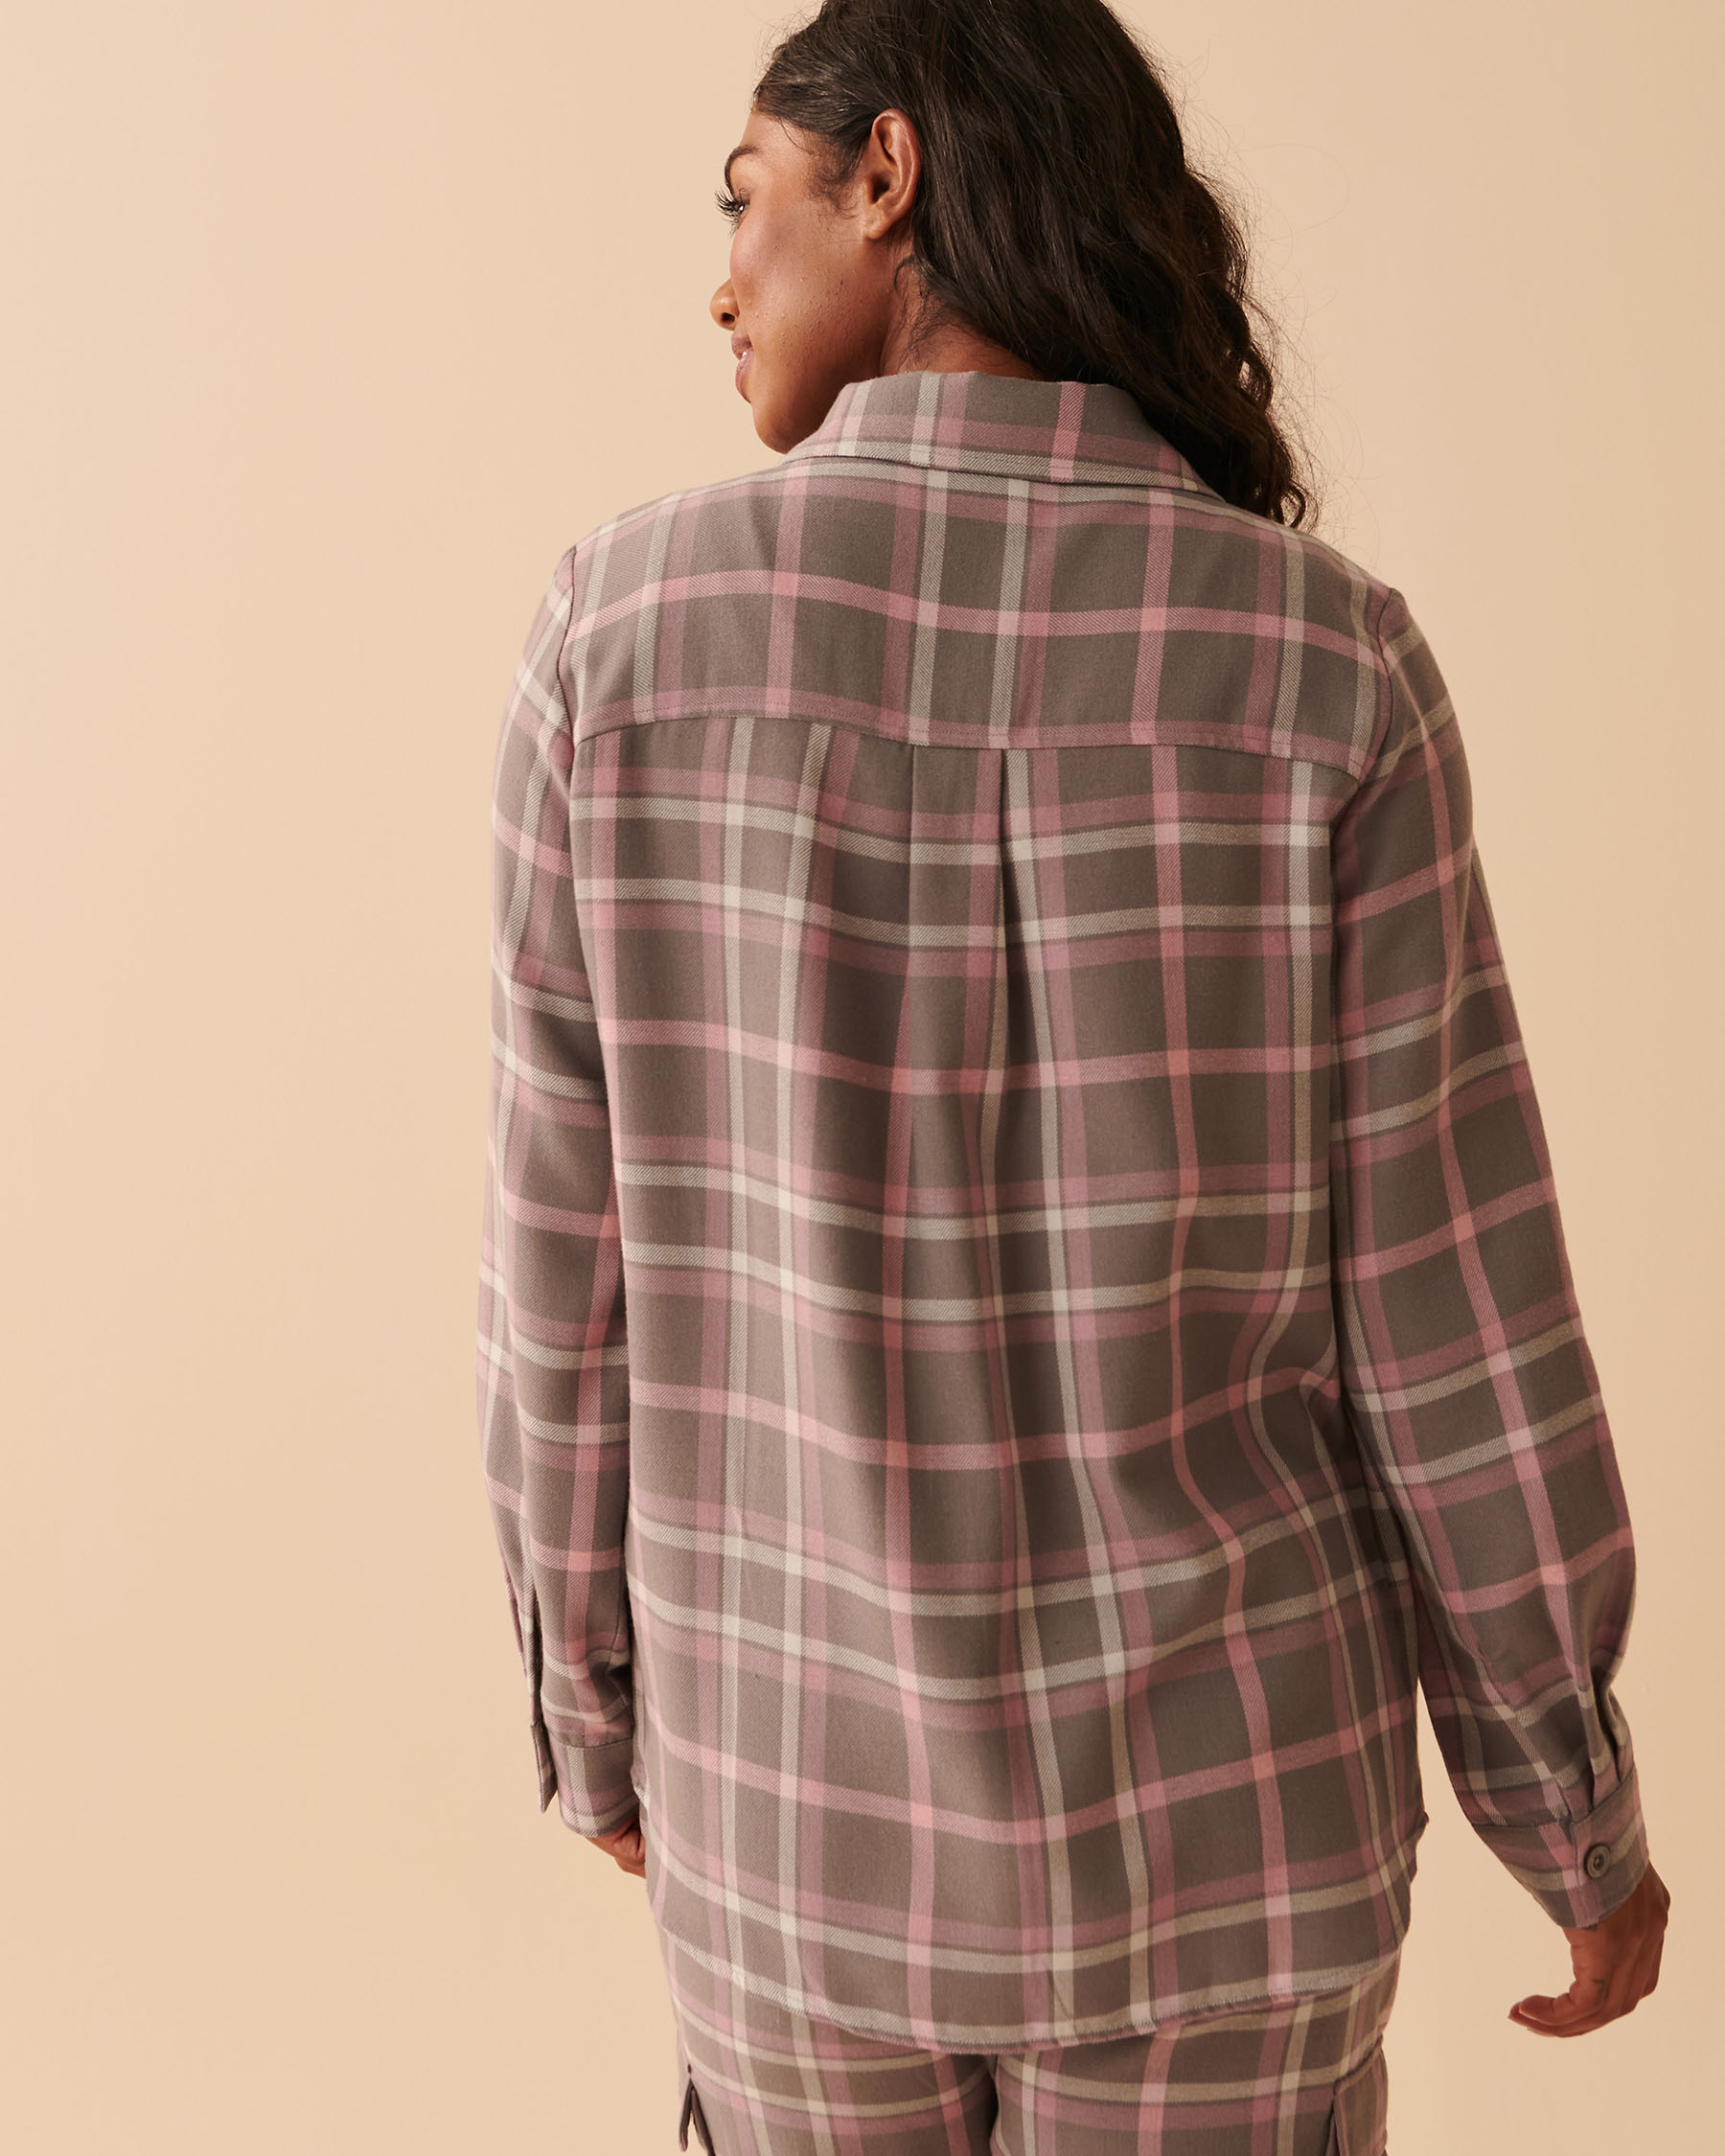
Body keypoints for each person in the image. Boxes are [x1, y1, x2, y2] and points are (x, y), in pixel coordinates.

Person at [474, 3, 1669, 2149]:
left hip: (797, 1843)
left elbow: (562, 1286)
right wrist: (1565, 1803)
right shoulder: (1326, 664)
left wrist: (593, 1712)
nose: (720, 280)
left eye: (745, 201)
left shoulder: (616, 642)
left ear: (890, 175)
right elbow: (1456, 1320)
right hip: (1234, 1849)